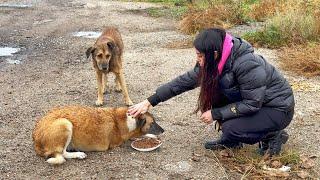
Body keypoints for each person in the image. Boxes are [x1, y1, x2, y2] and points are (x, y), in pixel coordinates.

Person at [128, 28, 295, 156]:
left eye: (200, 56)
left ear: (214, 54)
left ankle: (273, 135)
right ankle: (232, 142)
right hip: (257, 104)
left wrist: (216, 113)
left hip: (277, 109)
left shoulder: (247, 64)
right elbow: (182, 82)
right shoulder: (214, 62)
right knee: (216, 94)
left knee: (231, 127)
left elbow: (252, 103)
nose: (197, 60)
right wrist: (149, 101)